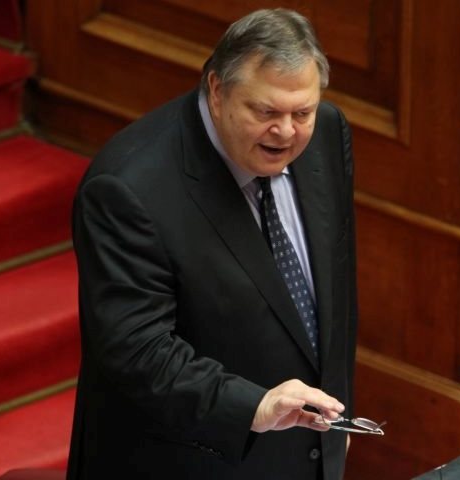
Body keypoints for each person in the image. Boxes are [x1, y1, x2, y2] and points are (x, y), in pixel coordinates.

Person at [67, 8, 357, 480]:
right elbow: (138, 351)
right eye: (266, 112)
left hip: (305, 454)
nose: (287, 131)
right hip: (187, 463)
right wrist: (253, 407)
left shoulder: (326, 131)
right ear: (218, 91)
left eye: (301, 112)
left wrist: (334, 428)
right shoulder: (128, 189)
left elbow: (333, 296)